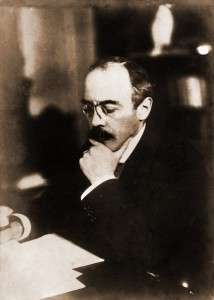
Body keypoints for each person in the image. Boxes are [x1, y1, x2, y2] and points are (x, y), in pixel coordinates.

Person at [2, 57, 210, 296]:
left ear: (143, 108)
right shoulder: (98, 141)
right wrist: (18, 226)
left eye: (109, 109)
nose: (96, 120)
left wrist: (103, 181)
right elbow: (55, 201)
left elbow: (149, 254)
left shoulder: (183, 160)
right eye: (89, 108)